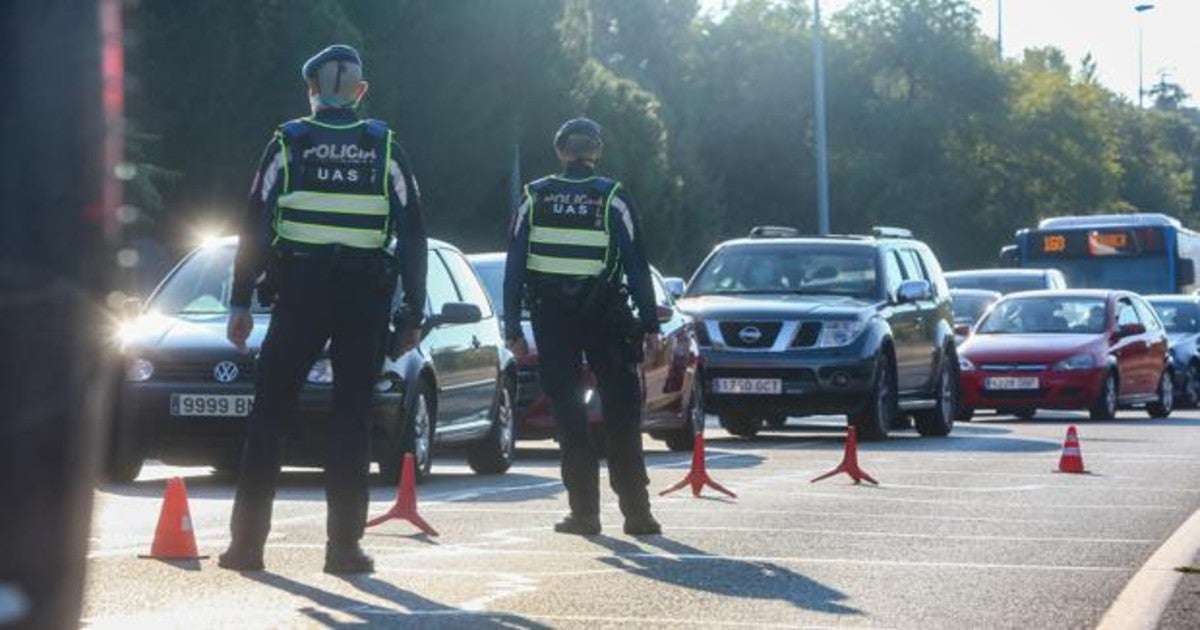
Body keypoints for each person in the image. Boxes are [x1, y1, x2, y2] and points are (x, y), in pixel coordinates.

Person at [218, 45, 427, 574]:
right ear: (360, 92)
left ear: (310, 91)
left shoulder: (288, 143)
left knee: (269, 415)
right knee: (351, 421)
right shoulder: (386, 148)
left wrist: (241, 299)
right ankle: (344, 549)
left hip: (300, 294)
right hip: (364, 299)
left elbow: (255, 225)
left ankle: (246, 547)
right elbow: (413, 236)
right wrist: (411, 314)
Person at [503, 118, 663, 536]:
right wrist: (650, 324)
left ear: (560, 151)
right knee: (621, 414)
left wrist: (512, 330)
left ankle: (584, 513)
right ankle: (637, 513)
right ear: (597, 152)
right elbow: (636, 264)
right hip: (605, 316)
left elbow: (514, 267)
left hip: (552, 318)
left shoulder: (534, 197)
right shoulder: (613, 197)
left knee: (569, 415)